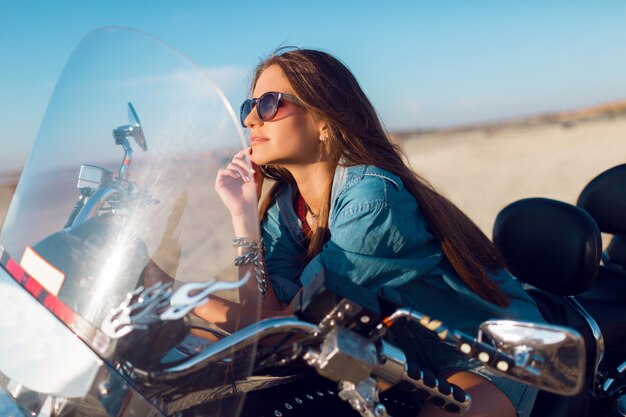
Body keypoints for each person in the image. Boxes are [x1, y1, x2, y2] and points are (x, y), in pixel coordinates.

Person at [195, 48, 545, 417]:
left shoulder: (372, 203)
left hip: (486, 351)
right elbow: (262, 320)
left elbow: (286, 332)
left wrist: (174, 295)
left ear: (325, 121)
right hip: (397, 358)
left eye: (269, 104)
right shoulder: (288, 205)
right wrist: (243, 215)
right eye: (248, 106)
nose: (251, 119)